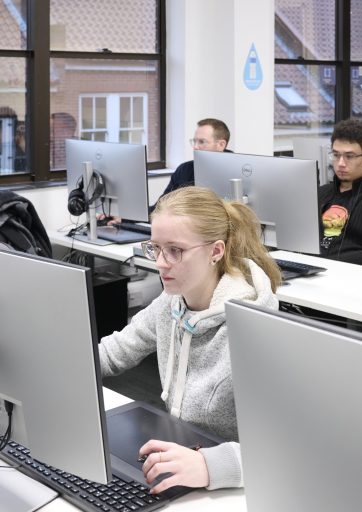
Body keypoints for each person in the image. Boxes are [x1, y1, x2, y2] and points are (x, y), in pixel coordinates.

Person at [97, 186, 281, 492]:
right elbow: (114, 353)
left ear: (216, 251)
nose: (160, 262)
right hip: (183, 460)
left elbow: (286, 450)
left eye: (175, 250)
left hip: (238, 486)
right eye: (155, 247)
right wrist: (56, 371)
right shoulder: (171, 304)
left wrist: (213, 465)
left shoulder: (255, 331)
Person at [99, 118, 231, 225]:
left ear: (221, 145)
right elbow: (160, 209)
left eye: (202, 142)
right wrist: (124, 217)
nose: (195, 147)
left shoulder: (233, 172)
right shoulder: (184, 170)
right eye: (194, 141)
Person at [317, 118, 362, 265]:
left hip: (351, 276)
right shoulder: (319, 194)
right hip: (311, 273)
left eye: (349, 156)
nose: (341, 163)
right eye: (336, 155)